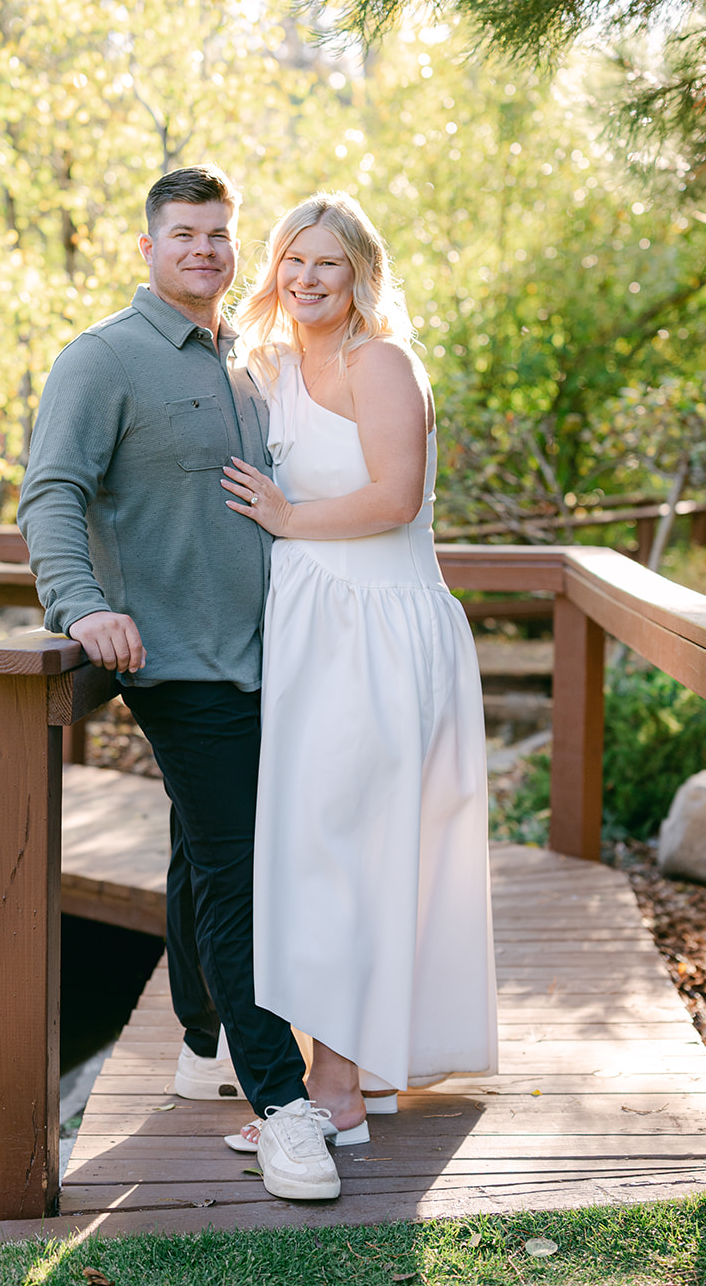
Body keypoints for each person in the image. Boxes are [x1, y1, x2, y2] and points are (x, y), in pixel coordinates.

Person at [16, 164, 342, 1201]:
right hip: (177, 660)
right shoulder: (102, 359)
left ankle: (201, 1041)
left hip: (271, 658)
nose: (203, 250)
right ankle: (284, 1106)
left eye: (219, 235)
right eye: (184, 234)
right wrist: (80, 604)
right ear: (148, 248)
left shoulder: (248, 362)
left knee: (205, 855)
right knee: (242, 875)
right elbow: (51, 492)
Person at [220, 191, 498, 1151]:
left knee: (349, 848)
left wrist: (289, 518)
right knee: (314, 850)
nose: (305, 279)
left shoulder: (382, 363)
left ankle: (333, 1090)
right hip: (311, 638)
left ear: (359, 276)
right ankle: (347, 1074)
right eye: (292, 261)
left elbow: (395, 495)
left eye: (326, 264)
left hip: (379, 637)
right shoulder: (265, 371)